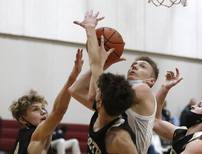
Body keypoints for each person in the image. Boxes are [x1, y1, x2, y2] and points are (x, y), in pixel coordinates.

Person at [70, 9, 168, 154]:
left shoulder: (143, 90)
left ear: (151, 80)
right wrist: (104, 64)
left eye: (142, 66)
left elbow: (93, 94)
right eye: (134, 64)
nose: (135, 65)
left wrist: (91, 33)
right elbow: (75, 90)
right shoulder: (115, 104)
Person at [72, 10, 137, 153]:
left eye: (98, 89)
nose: (95, 89)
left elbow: (95, 65)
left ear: (100, 101)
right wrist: (89, 29)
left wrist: (91, 28)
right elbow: (75, 89)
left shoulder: (119, 139)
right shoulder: (104, 109)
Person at [9, 49, 83, 154]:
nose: (43, 111)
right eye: (35, 109)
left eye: (43, 108)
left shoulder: (25, 134)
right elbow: (58, 111)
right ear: (22, 119)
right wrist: (73, 77)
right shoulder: (34, 135)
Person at [154, 90, 202, 154]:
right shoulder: (183, 131)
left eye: (199, 106)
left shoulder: (200, 143)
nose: (193, 106)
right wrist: (165, 88)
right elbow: (156, 122)